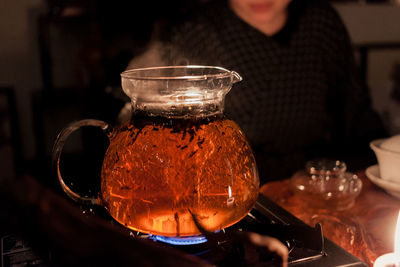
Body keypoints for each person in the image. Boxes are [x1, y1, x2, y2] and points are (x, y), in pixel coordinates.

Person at [127, 0, 387, 184]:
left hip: (313, 182)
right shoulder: (195, 31)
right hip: (222, 186)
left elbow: (356, 112)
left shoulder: (320, 22)